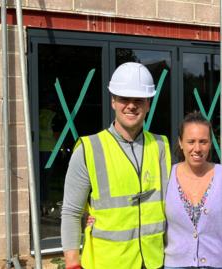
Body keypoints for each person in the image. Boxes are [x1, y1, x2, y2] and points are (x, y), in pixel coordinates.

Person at [61, 62, 171, 269]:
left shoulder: (160, 146)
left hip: (154, 261)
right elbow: (71, 213)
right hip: (108, 263)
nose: (131, 105)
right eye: (124, 98)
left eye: (139, 99)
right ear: (113, 101)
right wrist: (73, 264)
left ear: (148, 104)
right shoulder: (89, 149)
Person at [164, 112, 222, 269]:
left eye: (203, 142)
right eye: (191, 141)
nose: (197, 148)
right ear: (180, 143)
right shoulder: (166, 178)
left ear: (210, 144)